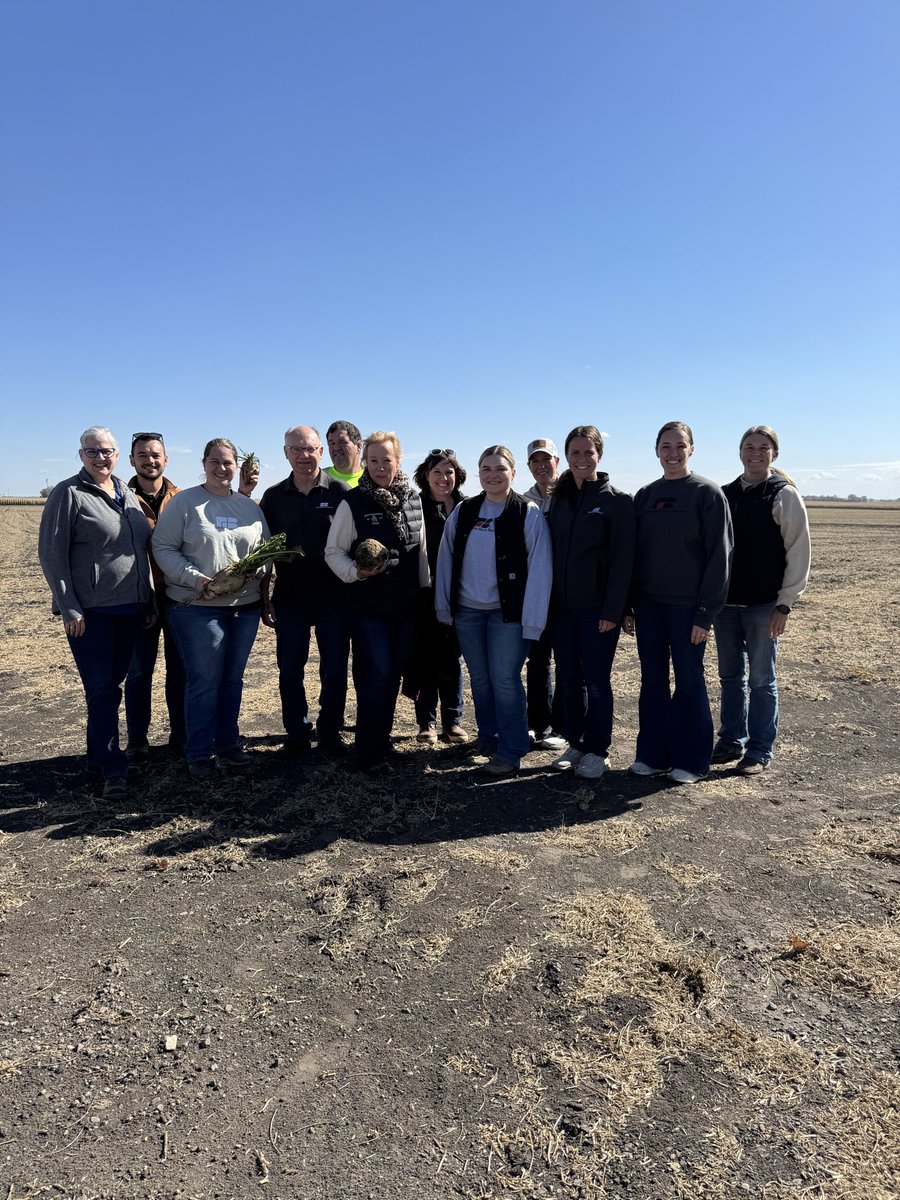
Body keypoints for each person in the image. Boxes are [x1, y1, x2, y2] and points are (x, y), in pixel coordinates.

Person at [37, 427, 154, 798]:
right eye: (93, 451)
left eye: (107, 451)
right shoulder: (68, 494)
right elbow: (51, 554)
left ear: (118, 454)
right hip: (92, 612)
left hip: (131, 608)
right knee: (102, 689)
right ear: (81, 454)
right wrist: (69, 606)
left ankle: (96, 756)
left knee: (111, 686)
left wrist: (148, 599)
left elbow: (140, 553)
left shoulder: (128, 495)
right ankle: (111, 768)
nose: (100, 457)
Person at [152, 438, 270, 778]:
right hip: (197, 608)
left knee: (232, 680)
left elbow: (265, 551)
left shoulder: (249, 507)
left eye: (228, 462)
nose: (221, 468)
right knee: (204, 680)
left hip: (243, 608)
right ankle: (199, 752)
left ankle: (229, 743)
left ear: (237, 466)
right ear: (203, 463)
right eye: (215, 461)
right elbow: (163, 546)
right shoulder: (186, 504)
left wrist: (256, 572)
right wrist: (193, 578)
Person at [625, 421, 733, 785]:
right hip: (650, 606)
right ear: (656, 451)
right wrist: (629, 604)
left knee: (689, 681)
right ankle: (653, 755)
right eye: (665, 446)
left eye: (680, 446)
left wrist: (706, 613)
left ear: (692, 449)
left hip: (688, 609)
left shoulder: (707, 494)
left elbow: (720, 557)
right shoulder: (645, 495)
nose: (672, 453)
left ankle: (692, 760)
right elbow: (633, 555)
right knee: (652, 680)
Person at [435, 445, 552, 777]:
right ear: (477, 473)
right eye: (485, 469)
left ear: (513, 473)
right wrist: (444, 606)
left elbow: (541, 569)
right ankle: (489, 737)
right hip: (468, 612)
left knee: (504, 679)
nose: (492, 475)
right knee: (481, 679)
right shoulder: (465, 511)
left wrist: (533, 621)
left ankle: (512, 749)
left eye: (500, 468)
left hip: (508, 616)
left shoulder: (526, 513)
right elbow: (446, 560)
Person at [325, 431, 429, 774]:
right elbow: (333, 552)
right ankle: (367, 753)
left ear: (398, 461)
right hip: (368, 608)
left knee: (393, 676)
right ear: (364, 462)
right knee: (378, 674)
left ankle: (381, 743)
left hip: (405, 606)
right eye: (373, 460)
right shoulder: (353, 502)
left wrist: (426, 593)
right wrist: (356, 572)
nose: (380, 467)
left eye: (386, 460)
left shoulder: (414, 500)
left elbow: (422, 554)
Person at [712, 425, 811, 774]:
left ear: (774, 454)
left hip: (764, 606)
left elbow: (798, 551)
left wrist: (785, 603)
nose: (756, 453)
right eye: (749, 447)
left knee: (761, 680)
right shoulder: (725, 494)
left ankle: (759, 749)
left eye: (763, 447)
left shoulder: (783, 495)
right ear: (740, 452)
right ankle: (730, 741)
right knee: (729, 677)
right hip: (726, 606)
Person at [546, 426, 635, 779]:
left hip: (597, 611)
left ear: (600, 455)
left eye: (588, 453)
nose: (582, 459)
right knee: (569, 679)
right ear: (566, 457)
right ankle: (577, 742)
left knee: (597, 680)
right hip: (561, 610)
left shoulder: (616, 501)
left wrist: (613, 610)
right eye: (575, 453)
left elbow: (622, 562)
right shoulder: (561, 499)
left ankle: (599, 749)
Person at [260, 425, 349, 756]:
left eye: (309, 449)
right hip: (291, 597)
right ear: (285, 453)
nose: (303, 455)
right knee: (290, 667)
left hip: (333, 597)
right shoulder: (273, 497)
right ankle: (296, 731)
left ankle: (330, 730)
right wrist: (264, 596)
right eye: (295, 449)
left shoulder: (339, 492)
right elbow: (265, 552)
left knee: (335, 667)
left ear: (321, 453)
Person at [123, 432, 186, 763]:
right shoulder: (120, 498)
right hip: (139, 596)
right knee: (139, 671)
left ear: (166, 459)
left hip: (176, 595)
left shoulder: (180, 498)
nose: (150, 460)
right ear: (131, 460)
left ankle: (181, 734)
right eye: (142, 455)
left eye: (156, 455)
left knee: (180, 669)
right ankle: (137, 739)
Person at [403, 449, 469, 746]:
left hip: (461, 593)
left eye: (449, 472)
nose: (444, 478)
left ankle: (453, 721)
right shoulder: (415, 506)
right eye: (438, 473)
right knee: (426, 656)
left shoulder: (468, 507)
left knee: (452, 657)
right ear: (426, 476)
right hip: (425, 593)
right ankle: (426, 722)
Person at [521, 437, 567, 751]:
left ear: (557, 463)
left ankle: (563, 727)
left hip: (566, 594)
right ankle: (536, 723)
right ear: (528, 467)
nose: (541, 466)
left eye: (546, 460)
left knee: (566, 662)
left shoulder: (570, 496)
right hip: (536, 594)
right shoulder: (524, 501)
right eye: (535, 461)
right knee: (537, 662)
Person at [324, 420, 364, 487]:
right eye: (332, 443)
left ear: (358, 446)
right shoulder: (320, 480)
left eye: (342, 442)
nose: (336, 448)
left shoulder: (373, 478)